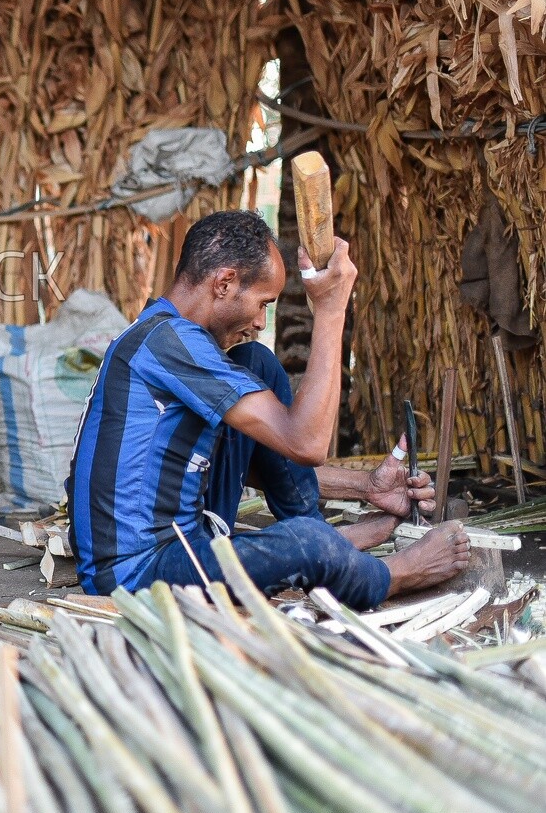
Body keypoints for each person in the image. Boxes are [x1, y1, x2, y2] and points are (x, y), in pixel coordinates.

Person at [65, 210, 471, 611]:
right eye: (263, 303)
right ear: (224, 283)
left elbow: (251, 457)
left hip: (186, 539)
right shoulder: (169, 342)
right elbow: (307, 443)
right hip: (135, 575)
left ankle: (324, 542)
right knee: (304, 546)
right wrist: (330, 310)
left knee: (255, 361)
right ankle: (392, 572)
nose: (261, 320)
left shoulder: (169, 336)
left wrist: (365, 487)